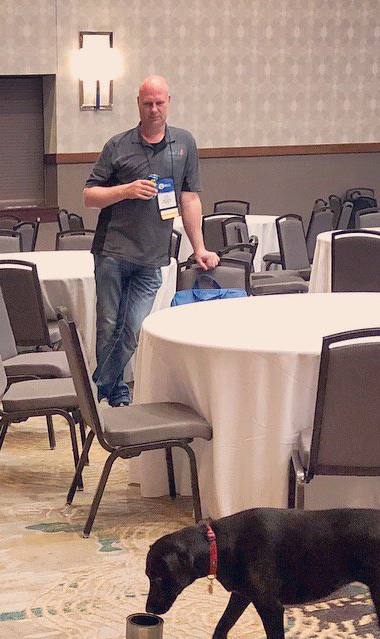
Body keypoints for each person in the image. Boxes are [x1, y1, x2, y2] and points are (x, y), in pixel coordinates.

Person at [83, 75, 218, 407]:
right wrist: (125, 190)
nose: (154, 109)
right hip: (112, 252)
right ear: (138, 104)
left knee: (132, 330)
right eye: (148, 103)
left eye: (159, 102)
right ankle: (117, 393)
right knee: (109, 325)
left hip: (153, 256)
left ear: (169, 101)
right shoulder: (118, 145)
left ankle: (96, 386)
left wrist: (198, 247)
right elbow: (89, 195)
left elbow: (189, 199)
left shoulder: (184, 144)